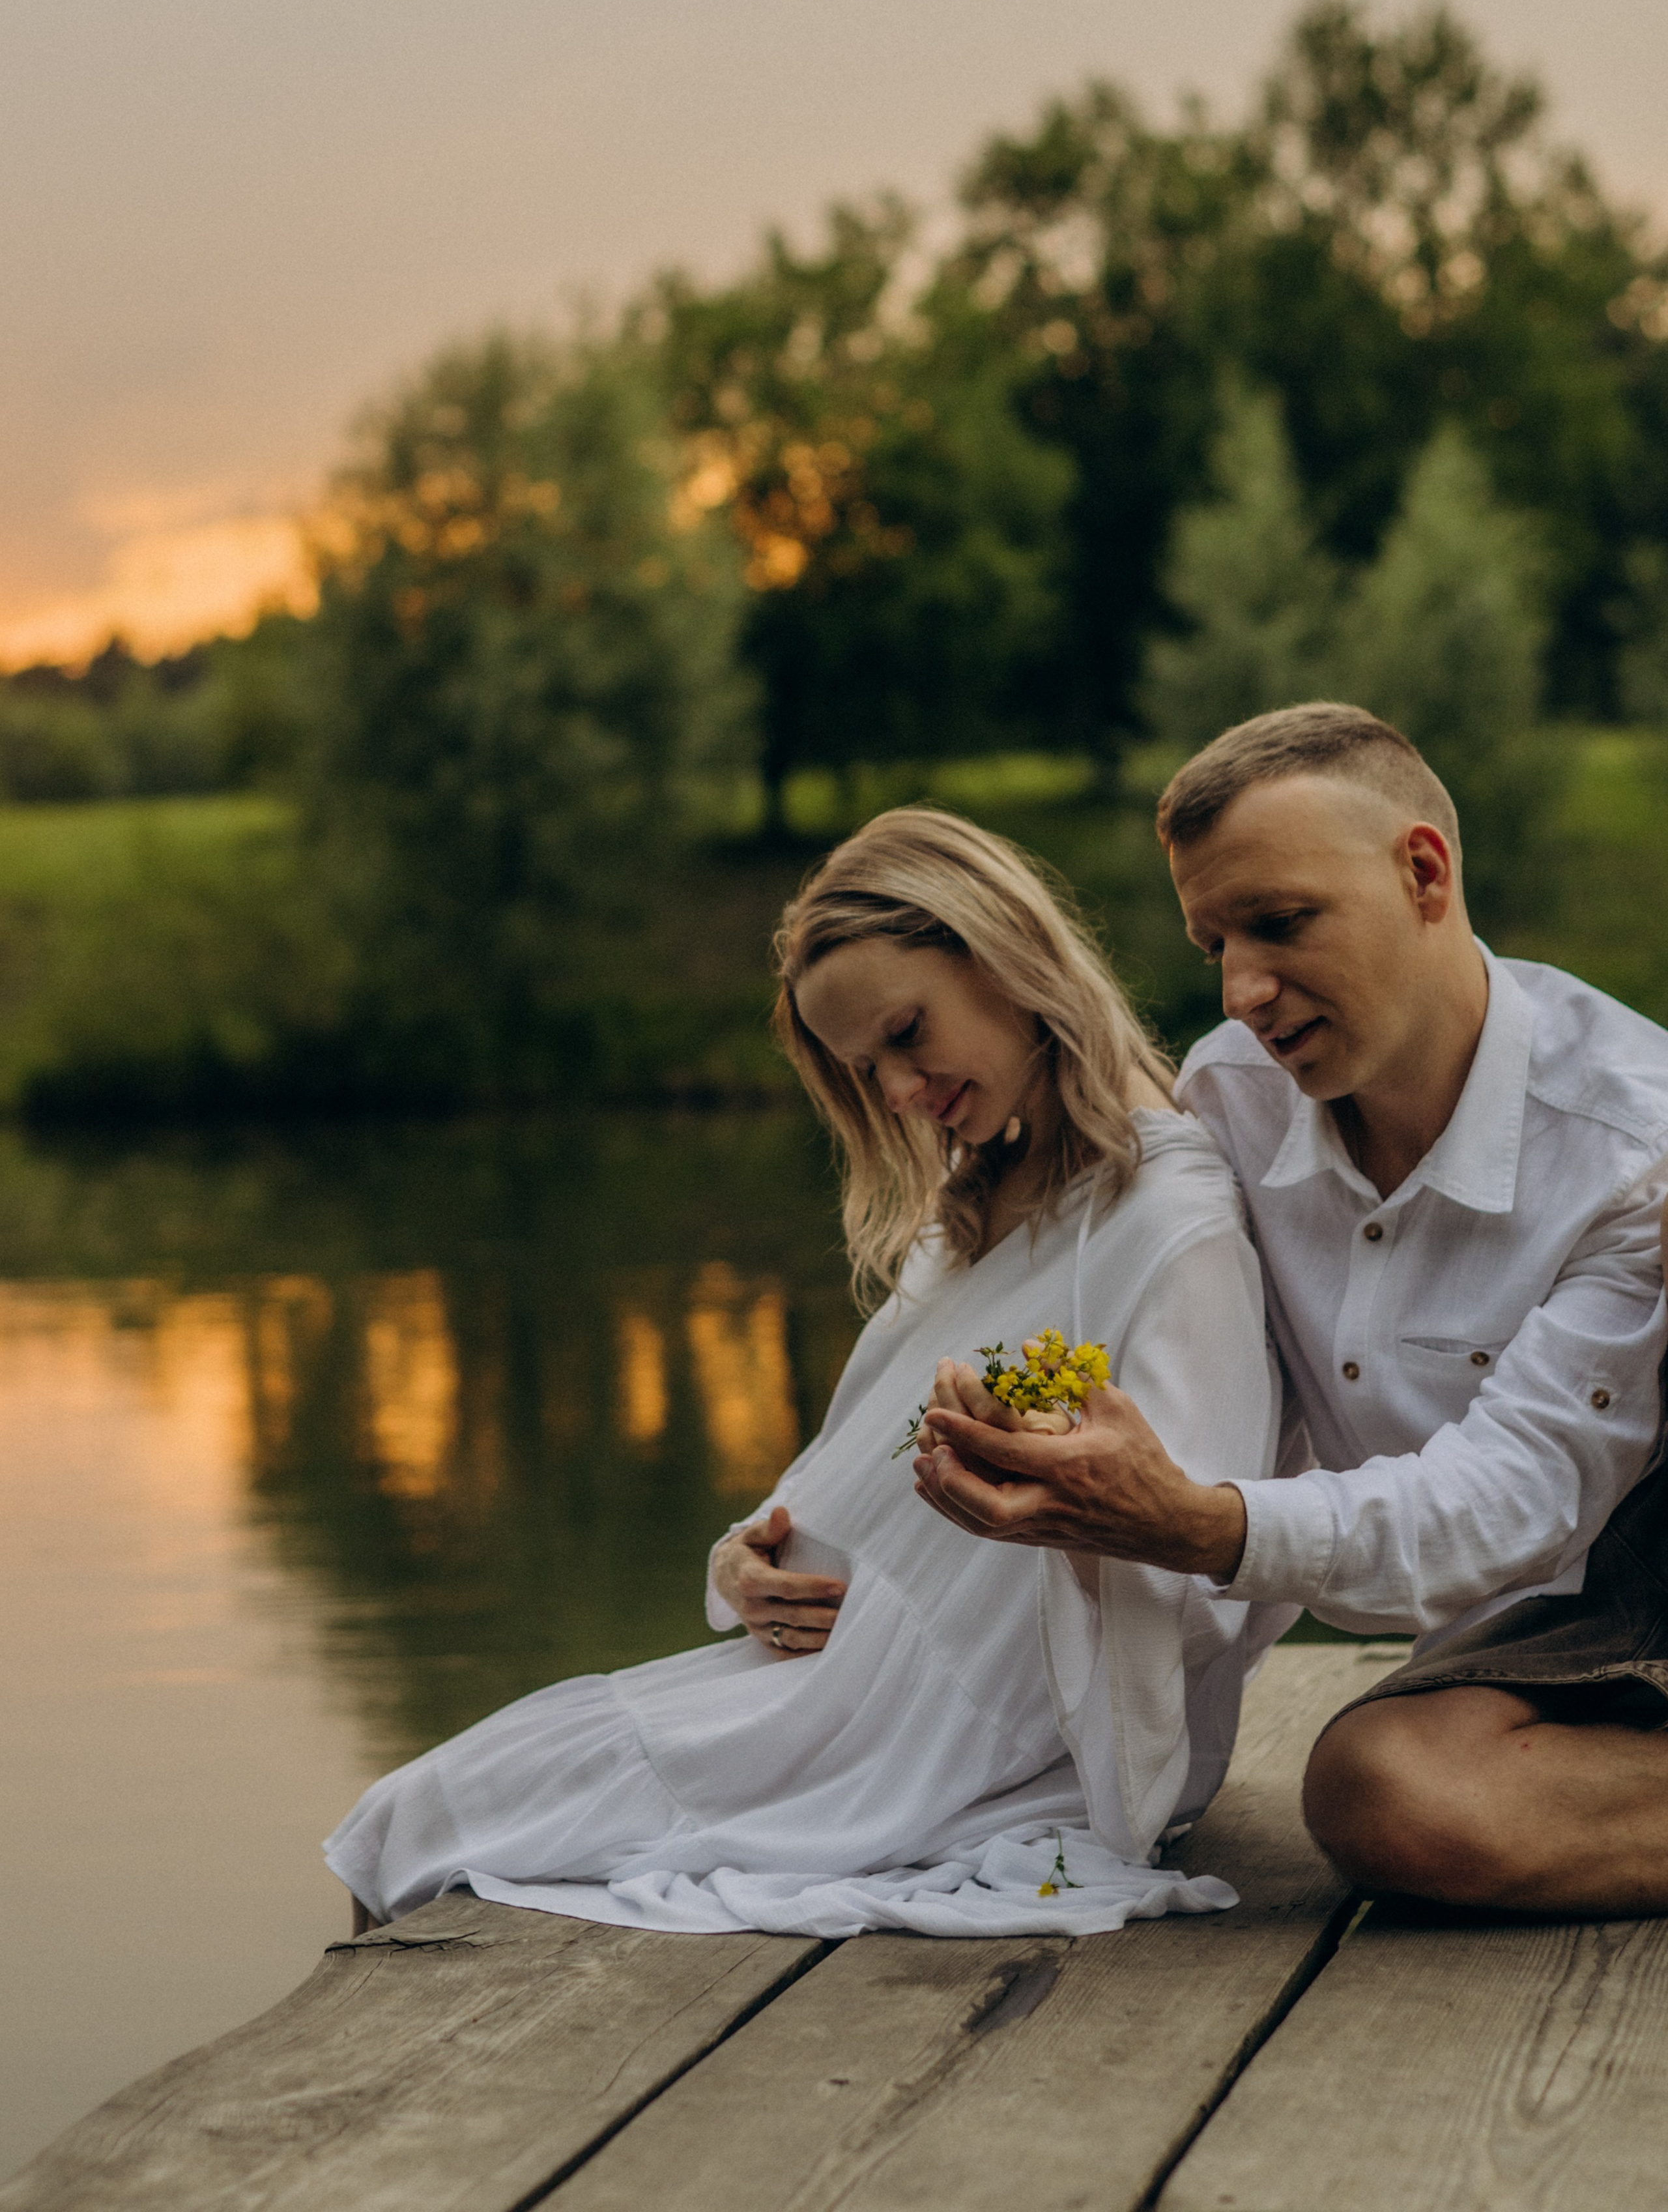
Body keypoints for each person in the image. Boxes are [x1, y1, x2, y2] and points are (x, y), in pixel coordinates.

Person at [326, 808, 1286, 1939]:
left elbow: (1194, 1574)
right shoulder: (981, 1202)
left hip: (940, 1737)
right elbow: (846, 1467)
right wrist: (741, 1561)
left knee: (415, 1826)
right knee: (404, 1819)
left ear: (1006, 956)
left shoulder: (1171, 1225)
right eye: (867, 1069)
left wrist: (1045, 1488)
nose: (901, 1092)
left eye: (907, 1034)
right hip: (815, 1693)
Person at [915, 703, 1668, 1917]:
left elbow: (1515, 1503)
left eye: (1279, 923)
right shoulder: (1231, 1100)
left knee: (1379, 1793)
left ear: (1423, 874)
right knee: (1390, 1788)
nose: (1243, 990)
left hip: (1624, 1567)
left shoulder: (1631, 1147)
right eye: (1214, 942)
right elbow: (1022, 1268)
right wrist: (809, 1528)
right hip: (1537, 1632)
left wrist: (1198, 1524)